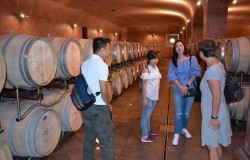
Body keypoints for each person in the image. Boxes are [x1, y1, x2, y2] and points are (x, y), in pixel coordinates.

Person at [198, 39, 232, 160]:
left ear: (202, 53)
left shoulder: (212, 71)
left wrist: (214, 118)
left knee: (212, 147)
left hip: (213, 113)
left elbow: (216, 96)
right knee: (215, 143)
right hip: (217, 110)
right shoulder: (218, 64)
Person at [81, 37, 114, 160]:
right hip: (99, 108)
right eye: (108, 49)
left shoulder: (85, 63)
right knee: (106, 141)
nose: (109, 52)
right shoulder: (102, 65)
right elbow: (104, 90)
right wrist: (108, 103)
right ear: (102, 49)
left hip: (86, 106)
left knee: (89, 138)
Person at [168, 40, 201, 146]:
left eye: (181, 45)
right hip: (178, 89)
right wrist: (181, 87)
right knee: (178, 113)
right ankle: (176, 134)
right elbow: (172, 76)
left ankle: (183, 128)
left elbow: (195, 73)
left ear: (184, 47)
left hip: (189, 88)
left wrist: (186, 86)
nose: (179, 47)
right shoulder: (173, 61)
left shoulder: (192, 59)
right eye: (177, 46)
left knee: (186, 113)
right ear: (175, 49)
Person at [140, 50, 162, 143]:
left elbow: (157, 82)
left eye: (156, 58)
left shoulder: (156, 68)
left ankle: (148, 130)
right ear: (149, 60)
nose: (155, 60)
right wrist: (144, 99)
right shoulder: (146, 70)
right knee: (145, 116)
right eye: (153, 59)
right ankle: (144, 136)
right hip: (148, 96)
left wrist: (157, 96)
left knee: (149, 114)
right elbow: (144, 85)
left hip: (154, 96)